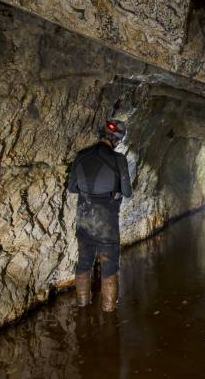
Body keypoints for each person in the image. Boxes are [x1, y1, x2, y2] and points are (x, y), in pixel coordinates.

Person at [68, 119, 132, 312]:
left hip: (84, 218)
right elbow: (127, 192)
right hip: (107, 222)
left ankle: (82, 304)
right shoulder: (119, 160)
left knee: (84, 262)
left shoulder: (80, 155)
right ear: (118, 140)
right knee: (109, 266)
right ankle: (109, 312)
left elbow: (72, 188)